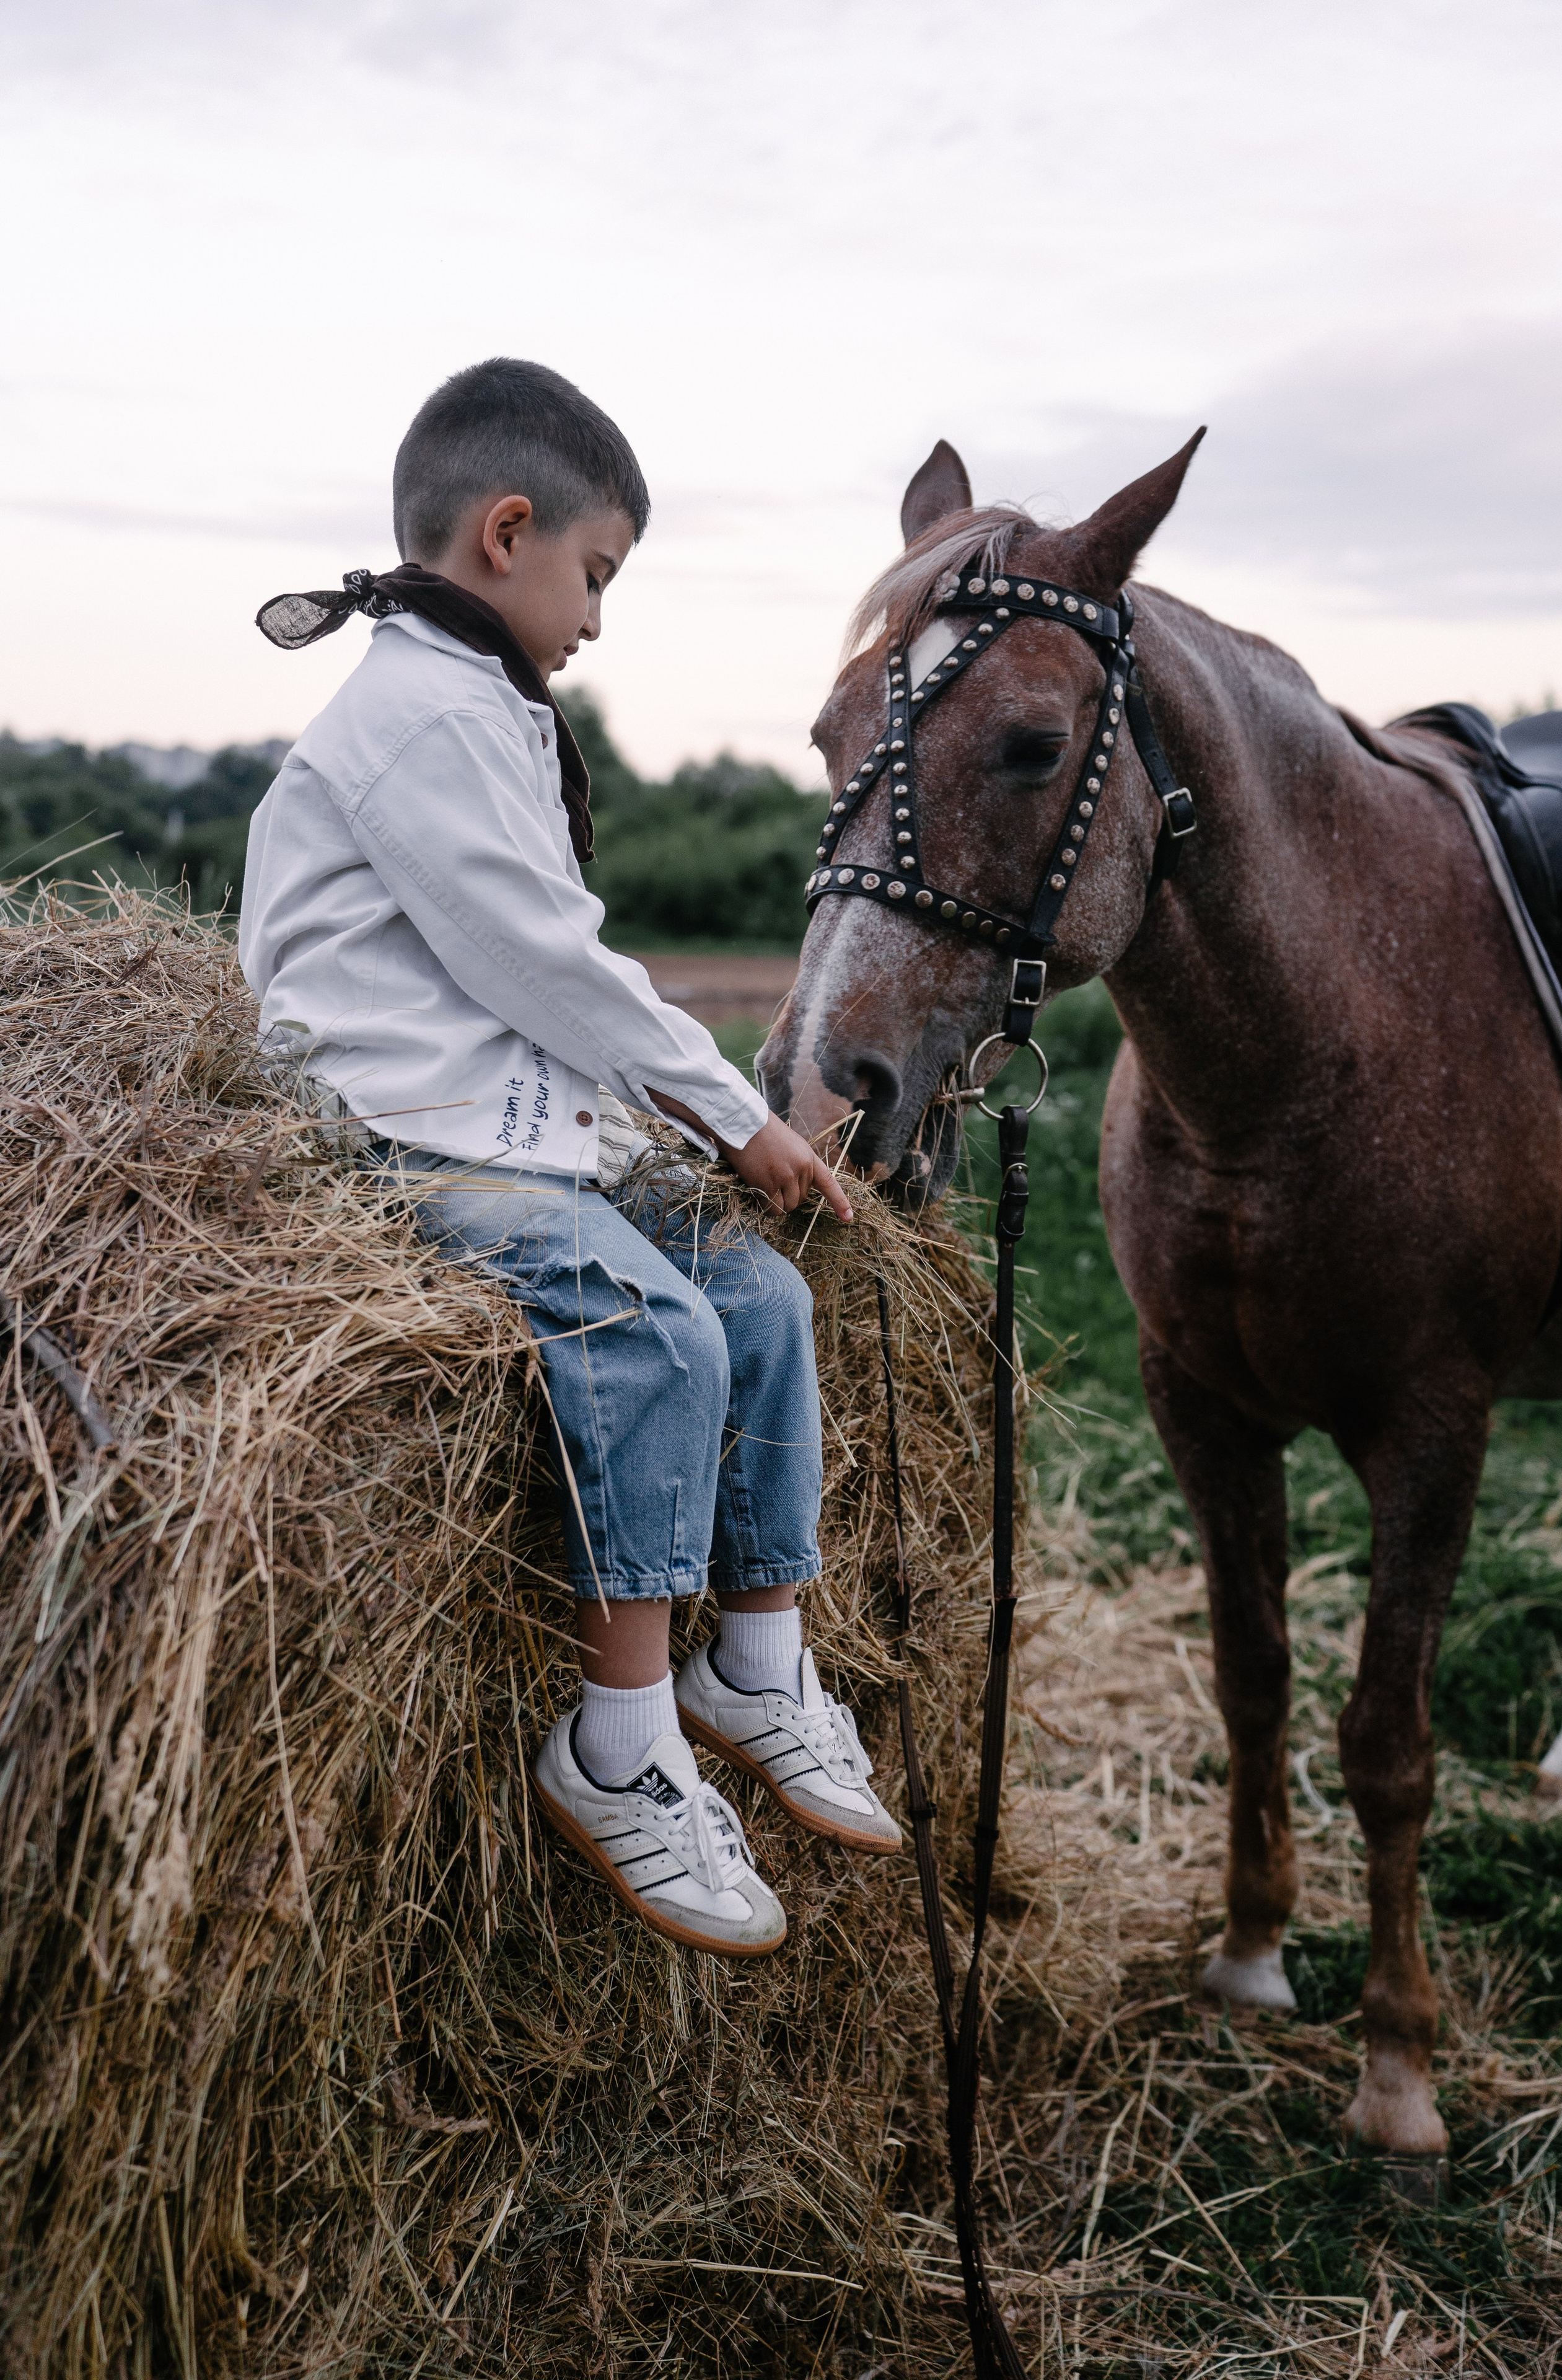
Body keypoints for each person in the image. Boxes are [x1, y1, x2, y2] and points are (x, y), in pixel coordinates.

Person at [239, 358, 900, 1959]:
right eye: (595, 575)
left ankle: (754, 1667)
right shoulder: (416, 719)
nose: (598, 617)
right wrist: (730, 1115)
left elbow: (537, 980)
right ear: (507, 532)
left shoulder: (483, 706)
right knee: (654, 1333)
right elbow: (546, 961)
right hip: (394, 1136)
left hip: (513, 1128)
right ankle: (617, 1749)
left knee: (761, 1302)